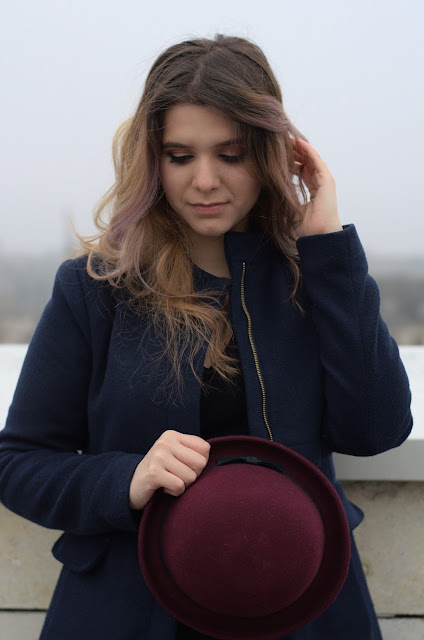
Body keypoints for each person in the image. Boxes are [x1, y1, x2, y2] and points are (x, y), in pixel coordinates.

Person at [0, 34, 412, 640]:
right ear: (152, 160)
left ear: (271, 155)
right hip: (129, 608)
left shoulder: (314, 276)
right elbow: (18, 464)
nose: (205, 181)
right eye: (180, 156)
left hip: (301, 604)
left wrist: (328, 245)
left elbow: (376, 429)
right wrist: (127, 479)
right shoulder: (97, 288)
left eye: (231, 154)